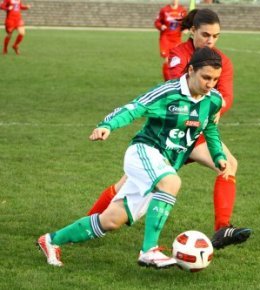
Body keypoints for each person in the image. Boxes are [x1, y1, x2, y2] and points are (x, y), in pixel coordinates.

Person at [37, 47, 229, 268]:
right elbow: (133, 108)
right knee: (171, 182)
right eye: (206, 77)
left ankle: (51, 240)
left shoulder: (213, 99)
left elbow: (211, 128)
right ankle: (149, 251)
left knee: (111, 220)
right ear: (191, 70)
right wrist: (107, 125)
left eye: (215, 79)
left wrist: (218, 155)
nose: (210, 84)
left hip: (164, 163)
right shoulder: (168, 92)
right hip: (143, 152)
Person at [87, 9, 252, 250]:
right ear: (192, 31)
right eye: (205, 34)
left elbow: (225, 95)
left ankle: (223, 228)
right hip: (169, 134)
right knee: (126, 185)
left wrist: (217, 106)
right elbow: (178, 89)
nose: (211, 41)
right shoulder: (179, 55)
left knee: (228, 164)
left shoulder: (221, 62)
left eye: (216, 36)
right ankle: (89, 223)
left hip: (196, 132)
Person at [154, 0, 187, 80]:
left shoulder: (182, 10)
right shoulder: (164, 10)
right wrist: (161, 26)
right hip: (166, 39)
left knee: (176, 60)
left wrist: (185, 28)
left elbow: (185, 23)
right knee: (167, 60)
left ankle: (175, 79)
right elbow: (157, 22)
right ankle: (167, 80)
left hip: (177, 39)